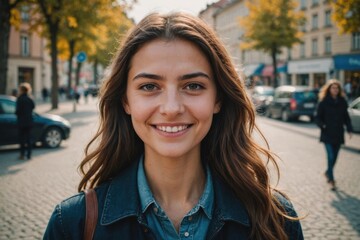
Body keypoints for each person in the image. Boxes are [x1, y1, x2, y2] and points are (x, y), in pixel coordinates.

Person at [44, 12, 303, 240]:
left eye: (193, 86)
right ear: (125, 101)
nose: (171, 108)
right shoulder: (72, 224)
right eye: (149, 86)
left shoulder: (277, 220)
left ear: (218, 99)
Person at [315, 79, 353, 190]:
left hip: (338, 134)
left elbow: (346, 117)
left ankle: (327, 172)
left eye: (337, 88)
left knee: (335, 158)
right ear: (329, 89)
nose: (335, 90)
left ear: (339, 90)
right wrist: (323, 125)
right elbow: (317, 118)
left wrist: (349, 129)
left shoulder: (342, 101)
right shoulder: (323, 102)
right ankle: (331, 180)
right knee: (330, 157)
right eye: (333, 88)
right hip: (327, 134)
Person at [15, 82, 35, 160]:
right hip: (29, 121)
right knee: (28, 139)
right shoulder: (30, 99)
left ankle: (22, 155)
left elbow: (17, 111)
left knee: (22, 139)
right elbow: (33, 107)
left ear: (21, 90)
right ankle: (29, 155)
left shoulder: (19, 99)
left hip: (21, 122)